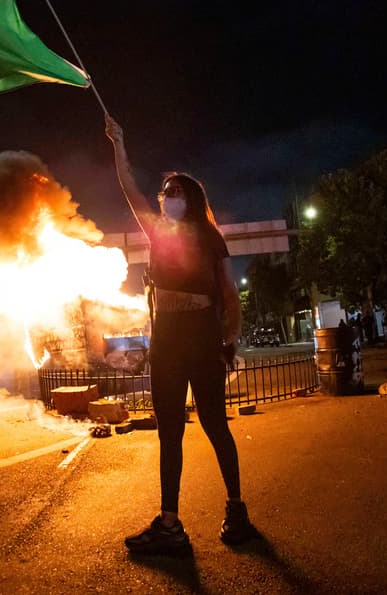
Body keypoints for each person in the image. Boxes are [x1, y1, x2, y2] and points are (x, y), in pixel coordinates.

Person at [106, 115, 254, 555]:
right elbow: (128, 185)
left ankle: (237, 508)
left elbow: (229, 294)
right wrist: (118, 143)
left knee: (215, 424)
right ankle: (170, 523)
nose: (168, 198)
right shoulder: (156, 230)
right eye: (165, 192)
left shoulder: (210, 237)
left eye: (175, 192)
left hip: (202, 339)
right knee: (169, 432)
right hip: (167, 341)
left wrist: (230, 338)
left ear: (191, 198)